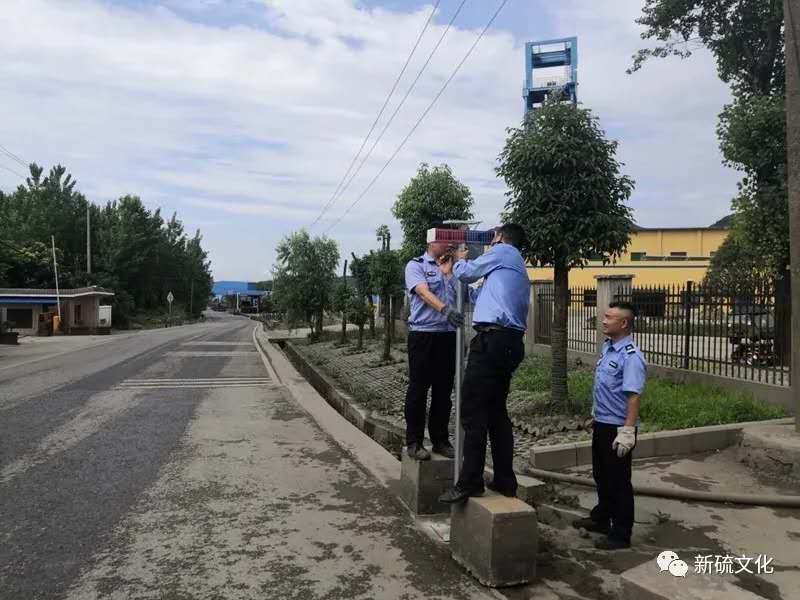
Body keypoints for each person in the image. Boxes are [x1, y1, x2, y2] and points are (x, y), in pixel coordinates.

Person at [438, 223, 530, 504]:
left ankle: (470, 481)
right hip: (507, 342)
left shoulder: (503, 251)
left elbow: (468, 272)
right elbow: (475, 294)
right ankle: (504, 480)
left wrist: (459, 259)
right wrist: (452, 272)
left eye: (493, 236)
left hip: (493, 340)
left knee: (473, 410)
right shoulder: (508, 267)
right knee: (496, 413)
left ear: (500, 237)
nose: (490, 241)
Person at [573, 301, 647, 550]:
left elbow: (633, 396)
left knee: (618, 482)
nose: (604, 321)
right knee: (601, 475)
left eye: (609, 317)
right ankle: (602, 519)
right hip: (602, 423)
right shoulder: (608, 347)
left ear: (623, 323)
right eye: (604, 316)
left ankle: (621, 533)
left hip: (618, 428)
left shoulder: (631, 357)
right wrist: (595, 415)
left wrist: (628, 431)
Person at [403, 224, 465, 461]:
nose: (448, 243)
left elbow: (462, 294)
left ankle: (440, 440)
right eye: (444, 239)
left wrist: (453, 271)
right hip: (423, 335)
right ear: (431, 241)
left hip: (447, 336)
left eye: (450, 239)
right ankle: (414, 442)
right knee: (418, 390)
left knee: (443, 392)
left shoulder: (451, 267)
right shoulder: (416, 265)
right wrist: (445, 309)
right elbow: (422, 292)